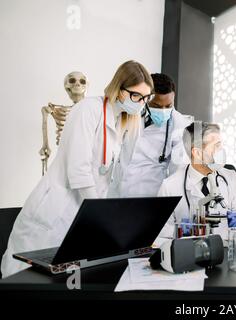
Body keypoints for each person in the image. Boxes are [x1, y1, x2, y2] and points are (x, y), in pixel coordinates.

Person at [1, 60, 153, 278]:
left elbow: (113, 175)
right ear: (119, 89)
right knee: (25, 281)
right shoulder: (88, 109)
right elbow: (79, 172)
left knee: (65, 282)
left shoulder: (123, 121)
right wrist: (100, 217)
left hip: (79, 214)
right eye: (136, 96)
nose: (141, 103)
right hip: (53, 212)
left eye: (146, 98)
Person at [157, 121, 236, 240]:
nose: (221, 150)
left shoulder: (231, 178)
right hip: (189, 254)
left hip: (225, 251)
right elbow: (160, 231)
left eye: (220, 144)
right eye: (216, 146)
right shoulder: (170, 186)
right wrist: (179, 230)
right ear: (197, 153)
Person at [118, 73, 192, 197]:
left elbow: (178, 171)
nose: (163, 110)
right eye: (156, 106)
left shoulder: (179, 124)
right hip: (118, 191)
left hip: (152, 194)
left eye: (169, 106)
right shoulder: (129, 113)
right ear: (146, 99)